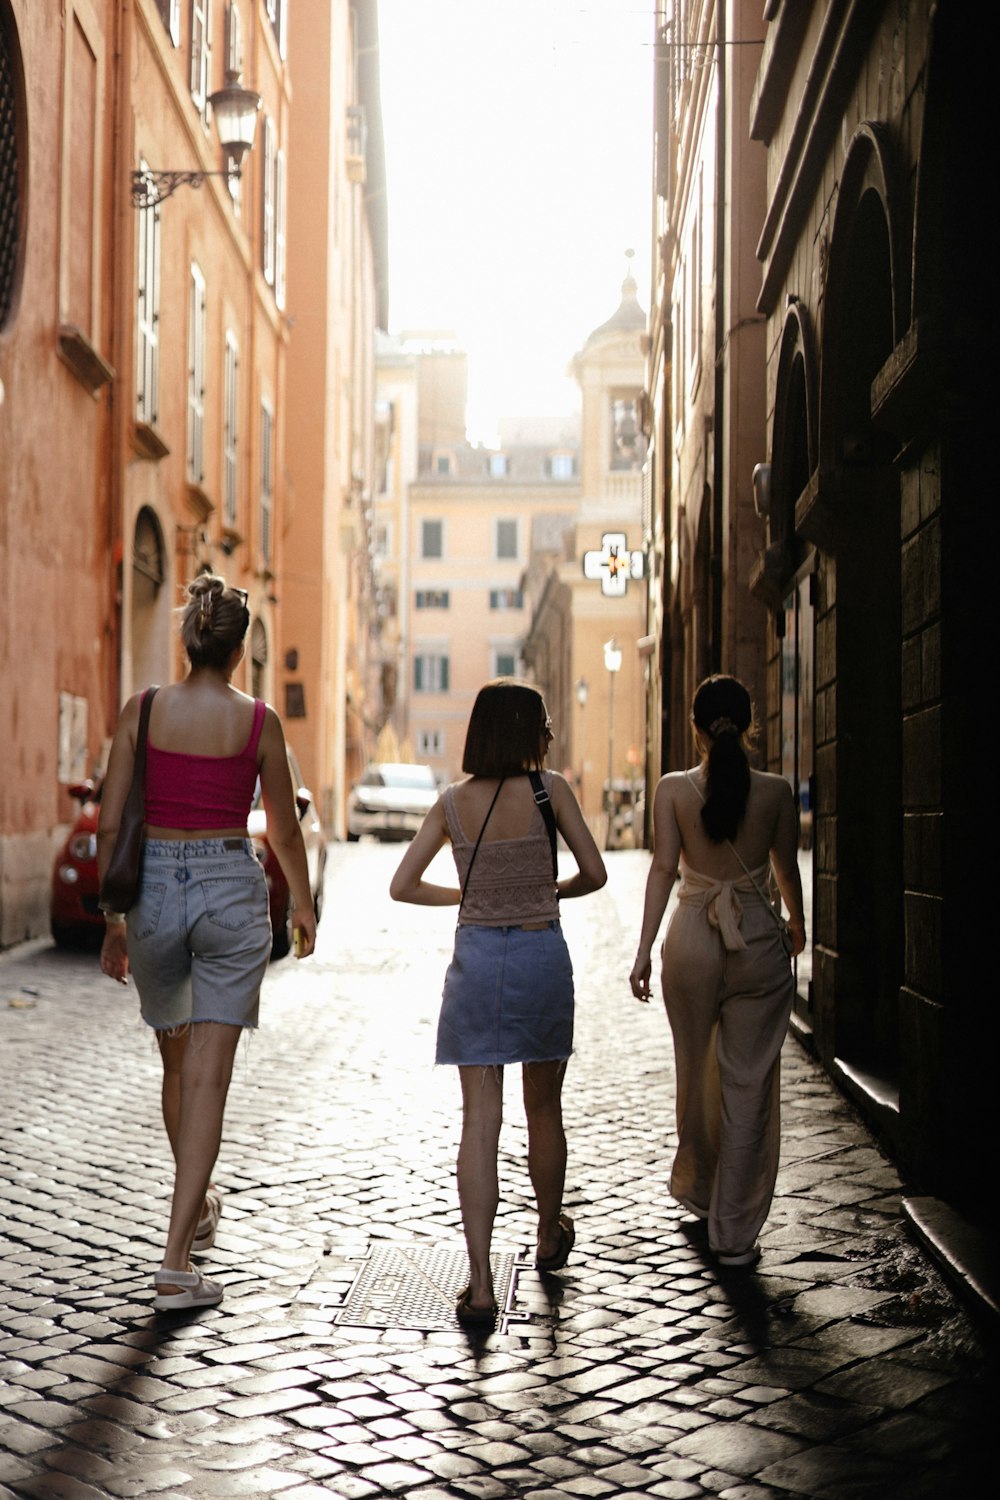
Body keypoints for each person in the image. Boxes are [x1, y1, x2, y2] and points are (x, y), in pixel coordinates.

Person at [97, 575, 317, 1312]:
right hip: (228, 885)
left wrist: (113, 921)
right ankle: (175, 1258)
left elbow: (108, 822)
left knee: (176, 1061)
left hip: (154, 888)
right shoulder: (259, 723)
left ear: (189, 637)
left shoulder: (143, 710)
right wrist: (306, 907)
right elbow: (283, 828)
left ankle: (195, 1216)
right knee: (209, 1080)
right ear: (239, 647)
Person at [390, 680, 607, 1323]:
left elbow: (402, 885)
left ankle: (480, 1284)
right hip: (542, 955)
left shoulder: (452, 802)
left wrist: (466, 898)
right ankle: (546, 1234)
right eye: (543, 723)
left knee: (480, 1122)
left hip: (477, 961)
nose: (548, 734)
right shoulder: (552, 792)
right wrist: (547, 891)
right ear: (526, 732)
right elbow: (595, 873)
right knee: (544, 1107)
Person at [628, 674, 805, 1268]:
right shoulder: (778, 792)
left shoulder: (673, 790)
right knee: (747, 1084)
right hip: (756, 939)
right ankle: (732, 1233)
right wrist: (797, 925)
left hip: (692, 940)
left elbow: (661, 870)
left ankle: (702, 1191)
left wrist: (643, 948)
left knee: (693, 1072)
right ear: (751, 724)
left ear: (696, 729)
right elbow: (785, 869)